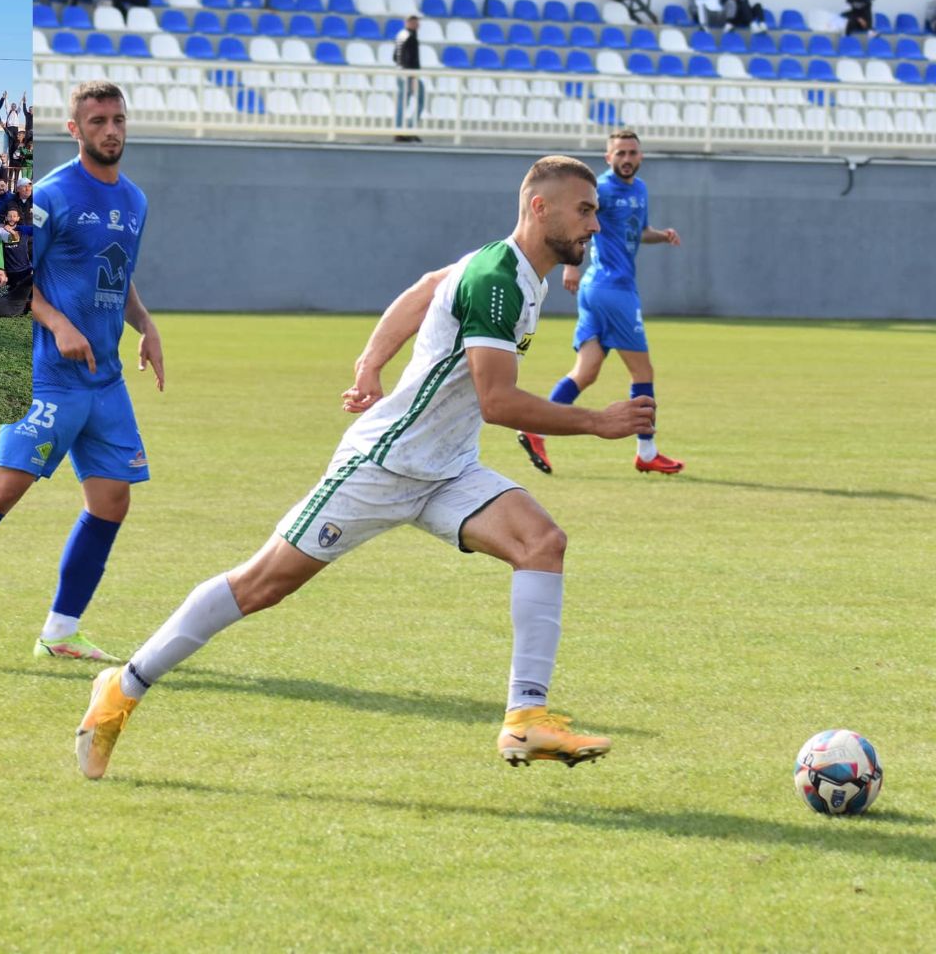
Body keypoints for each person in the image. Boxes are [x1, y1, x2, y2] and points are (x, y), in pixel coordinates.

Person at [76, 154, 657, 781]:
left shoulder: (514, 272)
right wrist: (597, 421)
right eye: (585, 210)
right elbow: (497, 402)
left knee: (542, 543)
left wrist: (370, 363)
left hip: (447, 470)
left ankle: (525, 718)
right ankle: (123, 687)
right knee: (263, 584)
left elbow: (426, 287)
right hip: (383, 465)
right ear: (540, 208)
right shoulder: (497, 277)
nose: (595, 225)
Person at [0, 80, 160, 662]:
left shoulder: (135, 200)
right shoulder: (52, 195)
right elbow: (18, 277)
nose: (111, 130)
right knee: (0, 494)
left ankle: (60, 632)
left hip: (106, 381)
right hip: (50, 378)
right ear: (74, 129)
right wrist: (57, 323)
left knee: (111, 501)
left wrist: (145, 323)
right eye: (98, 121)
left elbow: (118, 272)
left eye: (118, 119)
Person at [517, 130, 685, 477]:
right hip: (613, 289)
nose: (627, 159)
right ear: (608, 158)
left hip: (599, 290)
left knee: (586, 371)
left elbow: (637, 231)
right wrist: (570, 265)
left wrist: (662, 235)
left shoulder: (640, 190)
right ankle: (647, 452)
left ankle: (536, 430)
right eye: (620, 153)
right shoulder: (602, 190)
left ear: (640, 157)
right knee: (643, 373)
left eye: (632, 153)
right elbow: (571, 220)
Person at [393, 14, 423, 142]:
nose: (418, 25)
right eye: (415, 22)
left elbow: (395, 57)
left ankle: (400, 130)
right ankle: (408, 129)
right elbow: (410, 59)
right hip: (408, 74)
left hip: (401, 73)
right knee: (419, 101)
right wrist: (413, 76)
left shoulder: (401, 35)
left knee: (403, 102)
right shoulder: (411, 37)